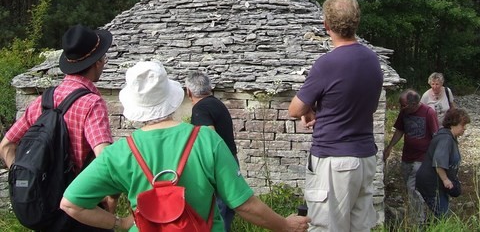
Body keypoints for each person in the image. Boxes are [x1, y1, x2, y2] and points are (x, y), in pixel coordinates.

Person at [60, 61, 311, 231]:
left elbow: (71, 203)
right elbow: (244, 204)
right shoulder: (206, 140)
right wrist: (285, 225)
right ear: (172, 97)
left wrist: (121, 223)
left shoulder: (119, 153)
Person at [0, 24, 115, 231]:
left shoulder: (43, 101)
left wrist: (32, 183)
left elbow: (6, 145)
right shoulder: (91, 103)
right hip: (79, 210)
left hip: (45, 210)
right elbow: (105, 158)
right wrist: (110, 199)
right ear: (97, 62)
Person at [288, 0, 383, 231]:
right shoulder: (373, 61)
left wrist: (309, 109)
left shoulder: (327, 64)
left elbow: (295, 109)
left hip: (335, 161)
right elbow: (366, 107)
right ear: (356, 22)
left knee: (326, 227)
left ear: (326, 25)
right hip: (365, 158)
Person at [185, 70, 237, 231]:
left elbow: (209, 139)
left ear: (189, 92)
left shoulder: (200, 108)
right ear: (210, 88)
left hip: (217, 166)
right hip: (230, 160)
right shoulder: (216, 104)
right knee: (227, 211)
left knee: (217, 212)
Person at [383, 89, 439, 223]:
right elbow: (400, 130)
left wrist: (435, 159)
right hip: (407, 156)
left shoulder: (428, 113)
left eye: (403, 105)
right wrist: (390, 147)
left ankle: (417, 222)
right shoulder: (404, 113)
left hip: (423, 158)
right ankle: (429, 214)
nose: (401, 108)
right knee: (411, 189)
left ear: (414, 103)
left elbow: (436, 136)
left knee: (412, 187)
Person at [415, 107, 471, 219]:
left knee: (439, 216)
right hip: (432, 184)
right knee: (443, 217)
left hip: (437, 184)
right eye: (462, 125)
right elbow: (439, 161)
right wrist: (445, 180)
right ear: (453, 124)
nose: (464, 128)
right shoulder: (445, 139)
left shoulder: (450, 136)